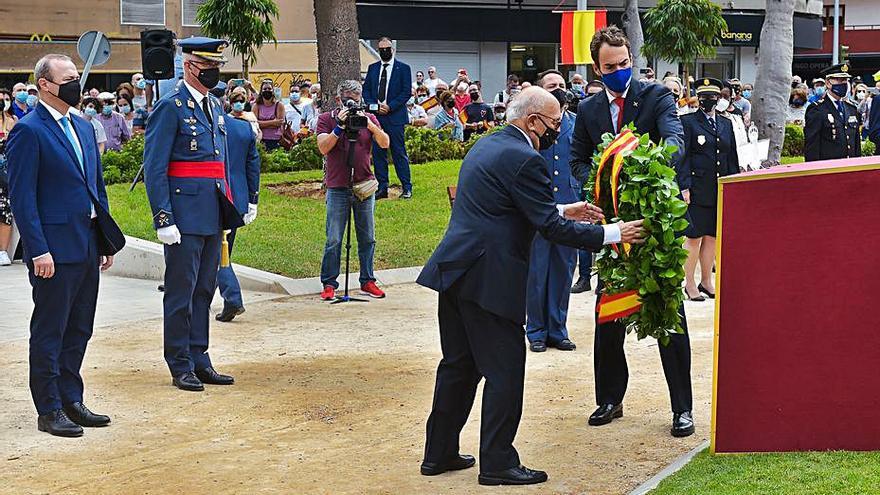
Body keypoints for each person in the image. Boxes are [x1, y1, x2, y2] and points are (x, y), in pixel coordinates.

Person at [418, 86, 646, 487]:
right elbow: (550, 228)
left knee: (459, 366)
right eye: (554, 122)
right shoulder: (526, 158)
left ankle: (438, 453)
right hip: (489, 279)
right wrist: (614, 233)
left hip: (455, 271)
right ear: (532, 121)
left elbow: (508, 206)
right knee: (505, 370)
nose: (557, 129)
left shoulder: (487, 146)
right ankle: (498, 462)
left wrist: (562, 207)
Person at [570, 25, 695, 438]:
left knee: (668, 315)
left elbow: (676, 139)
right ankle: (609, 398)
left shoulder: (655, 96)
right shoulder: (588, 111)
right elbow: (577, 159)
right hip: (610, 230)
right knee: (609, 316)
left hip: (653, 227)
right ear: (597, 68)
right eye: (611, 66)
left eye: (624, 63)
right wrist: (594, 184)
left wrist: (646, 169)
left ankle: (682, 408)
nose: (619, 70)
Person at [6, 53, 117, 437]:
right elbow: (23, 197)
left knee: (80, 327)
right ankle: (49, 407)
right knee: (51, 329)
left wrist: (103, 238)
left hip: (86, 241)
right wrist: (38, 249)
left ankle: (72, 398)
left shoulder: (84, 126)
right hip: (52, 249)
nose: (77, 83)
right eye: (68, 77)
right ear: (45, 85)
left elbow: (95, 188)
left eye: (76, 76)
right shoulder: (29, 130)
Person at [143, 37, 240, 392]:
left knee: (204, 290)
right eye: (207, 67)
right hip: (183, 215)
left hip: (212, 211)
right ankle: (179, 362)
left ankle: (200, 357)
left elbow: (220, 163)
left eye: (217, 66)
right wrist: (163, 217)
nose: (214, 72)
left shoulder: (214, 106)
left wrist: (231, 203)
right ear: (189, 66)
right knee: (181, 292)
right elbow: (154, 167)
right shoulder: (171, 106)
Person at [525, 70, 583, 353]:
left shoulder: (576, 123)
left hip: (570, 205)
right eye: (552, 86)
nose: (559, 90)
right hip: (539, 206)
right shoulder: (533, 125)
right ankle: (535, 330)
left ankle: (558, 329)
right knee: (537, 270)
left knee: (563, 269)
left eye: (562, 85)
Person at [315, 80, 389, 300]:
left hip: (364, 185)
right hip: (338, 186)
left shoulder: (369, 119)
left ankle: (368, 280)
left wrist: (371, 125)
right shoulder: (326, 120)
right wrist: (339, 127)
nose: (353, 105)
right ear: (339, 100)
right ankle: (329, 283)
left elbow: (385, 143)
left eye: (356, 101)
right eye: (349, 100)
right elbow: (323, 147)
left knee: (368, 237)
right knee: (334, 238)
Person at [679, 78, 739, 302]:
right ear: (698, 98)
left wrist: (734, 184)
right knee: (694, 237)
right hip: (696, 188)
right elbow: (682, 157)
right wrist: (684, 186)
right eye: (704, 97)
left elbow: (731, 156)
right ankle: (690, 283)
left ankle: (706, 280)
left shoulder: (726, 123)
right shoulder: (688, 122)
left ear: (719, 98)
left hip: (719, 188)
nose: (709, 101)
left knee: (712, 237)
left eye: (713, 97)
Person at [215, 105, 261, 323]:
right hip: (237, 198)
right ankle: (211, 299)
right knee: (223, 252)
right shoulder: (243, 129)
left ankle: (232, 297)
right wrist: (253, 199)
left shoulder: (205, 126)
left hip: (212, 197)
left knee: (215, 254)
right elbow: (253, 166)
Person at [363, 36, 413, 199]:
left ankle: (406, 187)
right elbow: (367, 91)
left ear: (392, 49)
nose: (384, 51)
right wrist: (374, 106)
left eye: (387, 48)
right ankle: (382, 187)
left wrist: (390, 106)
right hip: (377, 117)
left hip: (395, 116)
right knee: (378, 153)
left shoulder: (403, 68)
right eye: (381, 49)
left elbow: (406, 92)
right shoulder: (373, 68)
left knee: (399, 152)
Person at [804, 63, 861, 163]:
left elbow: (856, 144)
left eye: (845, 80)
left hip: (850, 167)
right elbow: (812, 146)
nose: (843, 83)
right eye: (839, 80)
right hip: (828, 169)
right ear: (828, 83)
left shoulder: (851, 108)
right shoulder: (817, 109)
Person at [0, 88, 17, 266]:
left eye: (5, 99)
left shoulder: (13, 122)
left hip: (6, 174)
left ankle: (3, 251)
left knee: (5, 211)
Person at [254, 79, 285, 150]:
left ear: (273, 91)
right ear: (261, 91)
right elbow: (255, 124)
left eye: (269, 89)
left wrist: (261, 123)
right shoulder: (256, 106)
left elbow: (279, 123)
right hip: (261, 139)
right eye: (265, 89)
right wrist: (273, 122)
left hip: (276, 140)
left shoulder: (279, 105)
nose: (267, 90)